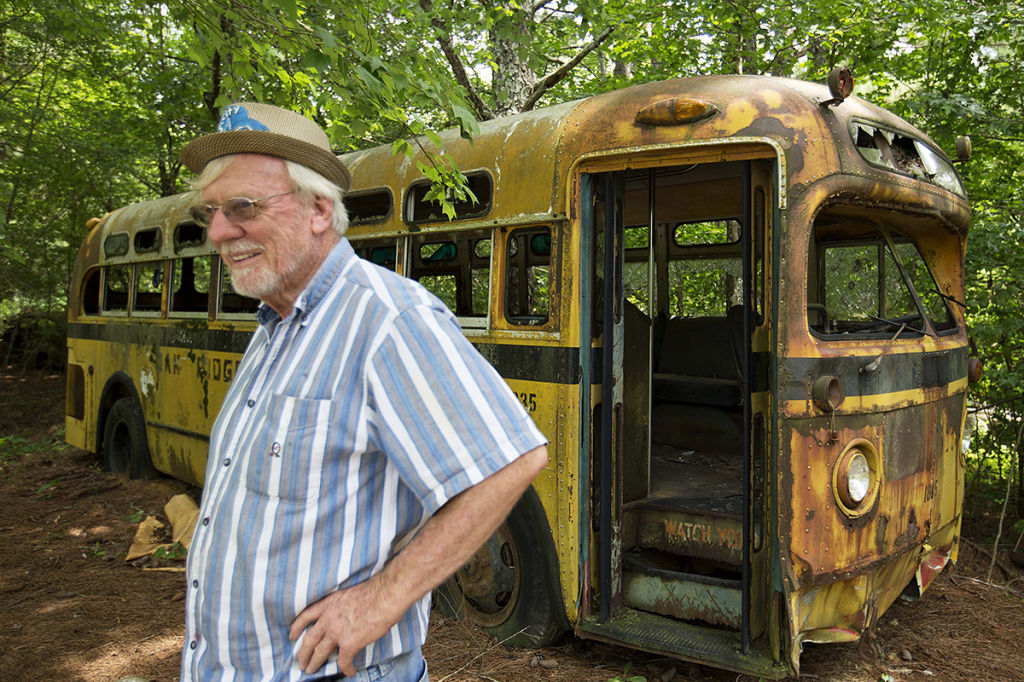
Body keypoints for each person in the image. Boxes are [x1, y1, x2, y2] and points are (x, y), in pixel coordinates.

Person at [178, 102, 549, 681]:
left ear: (319, 209)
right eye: (213, 212)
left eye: (243, 207)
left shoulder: (386, 320)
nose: (220, 232)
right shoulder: (275, 327)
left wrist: (379, 602)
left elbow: (511, 461)